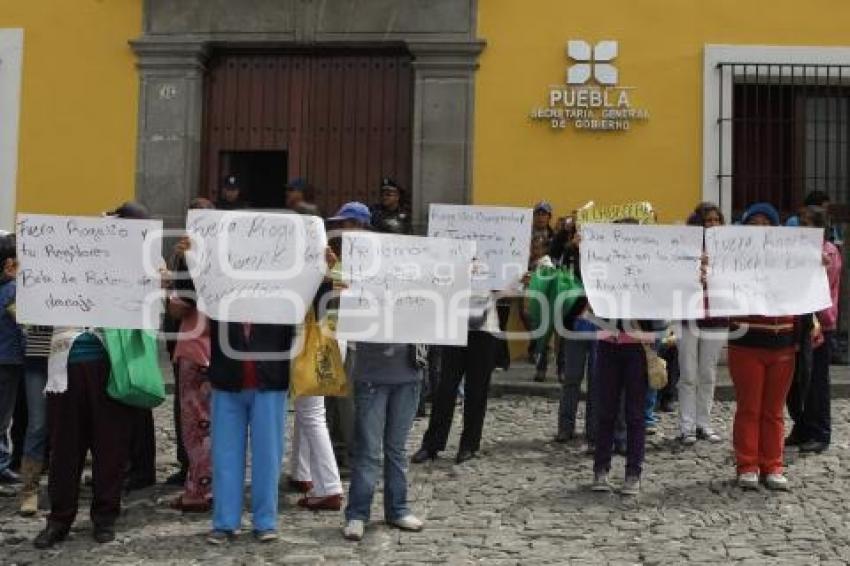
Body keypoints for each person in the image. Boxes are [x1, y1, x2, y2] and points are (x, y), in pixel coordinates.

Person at [34, 204, 148, 548]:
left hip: (111, 366)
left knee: (110, 446)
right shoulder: (65, 259)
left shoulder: (136, 266)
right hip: (65, 366)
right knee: (65, 449)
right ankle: (59, 519)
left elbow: (148, 309)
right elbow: (39, 306)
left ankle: (105, 516)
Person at [206, 307, 294, 543]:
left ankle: (265, 521)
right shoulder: (218, 273)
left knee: (268, 455)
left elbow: (312, 301)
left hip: (270, 377)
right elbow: (187, 298)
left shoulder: (285, 276)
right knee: (224, 455)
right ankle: (225, 522)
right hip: (227, 376)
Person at [726, 203, 796, 491]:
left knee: (774, 410)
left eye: (766, 222)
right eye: (753, 222)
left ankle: (773, 465)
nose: (760, 227)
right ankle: (747, 465)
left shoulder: (790, 260)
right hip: (746, 343)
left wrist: (816, 267)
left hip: (783, 345)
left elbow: (808, 289)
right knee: (749, 407)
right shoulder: (731, 260)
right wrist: (707, 271)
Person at [341, 338, 424, 541]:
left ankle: (397, 509)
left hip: (409, 373)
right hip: (372, 374)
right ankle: (358, 514)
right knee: (369, 450)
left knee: (396, 449)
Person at [411, 285, 499, 466]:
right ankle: (431, 444)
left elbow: (508, 288)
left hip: (485, 328)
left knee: (477, 389)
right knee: (445, 388)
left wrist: (516, 281)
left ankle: (469, 444)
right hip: (454, 324)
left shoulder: (497, 261)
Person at [166, 199, 215, 513]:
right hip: (222, 348)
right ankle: (214, 485)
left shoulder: (193, 256)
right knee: (215, 422)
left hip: (196, 344)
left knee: (196, 424)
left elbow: (183, 304)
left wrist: (170, 289)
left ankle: (198, 491)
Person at [787, 206, 842, 454]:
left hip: (819, 323)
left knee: (816, 381)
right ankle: (802, 426)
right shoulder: (798, 251)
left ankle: (820, 432)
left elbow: (820, 286)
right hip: (798, 323)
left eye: (808, 223)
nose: (802, 228)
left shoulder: (828, 252)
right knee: (797, 382)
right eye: (801, 223)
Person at [677, 202, 727, 445]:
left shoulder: (729, 251)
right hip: (689, 316)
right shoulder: (684, 249)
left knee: (708, 373)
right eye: (708, 220)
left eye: (717, 220)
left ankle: (703, 423)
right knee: (687, 373)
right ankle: (686, 425)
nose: (713, 224)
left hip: (717, 316)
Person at [18, 324, 51, 515]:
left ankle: (60, 487)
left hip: (69, 356)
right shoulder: (27, 291)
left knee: (66, 426)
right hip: (37, 357)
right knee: (37, 424)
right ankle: (29, 490)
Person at [0, 234, 24, 487]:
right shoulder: (14, 291)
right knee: (3, 417)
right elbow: (22, 328)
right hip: (8, 361)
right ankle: (1, 465)